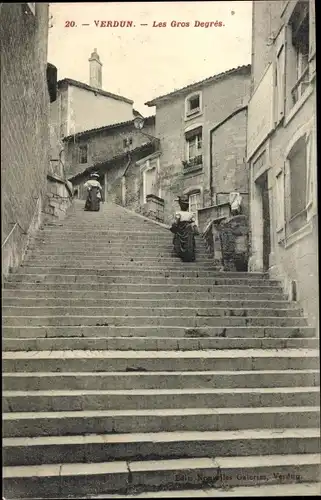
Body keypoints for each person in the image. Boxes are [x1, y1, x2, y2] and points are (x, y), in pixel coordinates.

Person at [170, 195, 198, 261]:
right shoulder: (190, 214)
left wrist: (174, 226)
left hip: (181, 229)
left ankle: (178, 252)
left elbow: (176, 222)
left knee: (177, 238)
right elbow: (193, 222)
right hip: (188, 229)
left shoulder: (178, 213)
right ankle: (188, 254)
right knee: (189, 242)